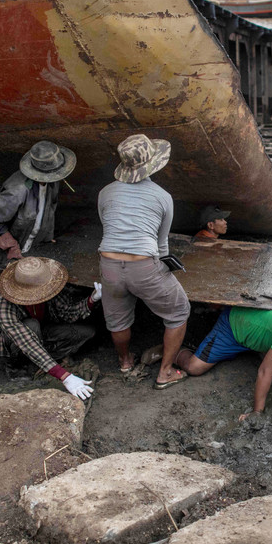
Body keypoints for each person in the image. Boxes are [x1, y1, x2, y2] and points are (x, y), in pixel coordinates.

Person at [98, 134, 190, 389]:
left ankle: (125, 362)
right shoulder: (162, 196)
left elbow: (108, 226)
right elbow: (162, 244)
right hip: (144, 265)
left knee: (117, 319)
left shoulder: (105, 193)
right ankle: (166, 372)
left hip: (109, 264)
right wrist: (164, 268)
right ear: (153, 163)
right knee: (179, 311)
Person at [0, 257, 98, 400]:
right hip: (13, 340)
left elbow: (67, 312)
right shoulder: (2, 305)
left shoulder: (49, 286)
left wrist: (91, 300)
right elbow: (25, 340)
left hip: (41, 330)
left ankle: (42, 359)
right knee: (32, 325)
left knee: (86, 332)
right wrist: (64, 376)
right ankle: (15, 366)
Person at [0, 141, 76, 266]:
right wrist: (12, 246)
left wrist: (47, 238)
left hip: (32, 245)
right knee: (9, 280)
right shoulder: (18, 189)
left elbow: (50, 209)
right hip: (12, 250)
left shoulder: (52, 181)